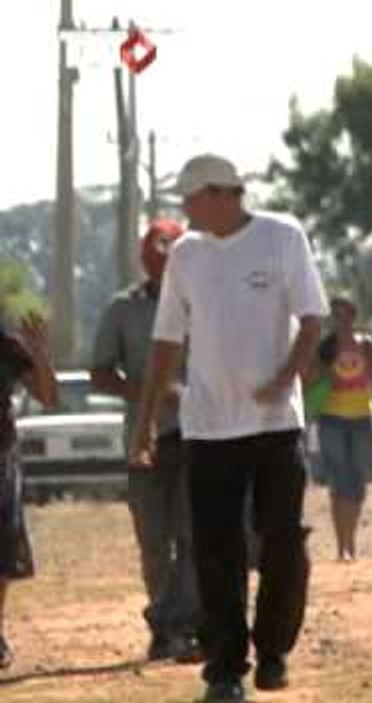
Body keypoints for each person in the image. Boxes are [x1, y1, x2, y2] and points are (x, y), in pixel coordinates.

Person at [129, 153, 329, 703]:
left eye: (190, 200)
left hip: (275, 425)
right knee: (215, 550)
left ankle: (273, 651)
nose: (185, 212)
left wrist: (286, 376)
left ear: (219, 194)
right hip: (208, 429)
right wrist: (146, 424)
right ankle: (224, 669)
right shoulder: (187, 257)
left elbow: (313, 319)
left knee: (283, 540)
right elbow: (166, 342)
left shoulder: (282, 237)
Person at [91, 218, 202, 662]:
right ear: (145, 263)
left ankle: (189, 625)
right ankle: (164, 625)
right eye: (157, 264)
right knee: (153, 539)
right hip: (146, 439)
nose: (165, 272)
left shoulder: (207, 302)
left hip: (199, 435)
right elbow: (99, 374)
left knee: (193, 535)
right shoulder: (123, 309)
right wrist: (150, 389)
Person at [310, 294, 372, 562]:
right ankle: (341, 545)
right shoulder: (325, 348)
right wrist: (324, 376)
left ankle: (351, 539)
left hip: (361, 419)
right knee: (339, 482)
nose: (341, 321)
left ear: (354, 317)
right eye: (336, 316)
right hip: (331, 419)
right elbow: (310, 379)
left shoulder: (367, 346)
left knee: (358, 483)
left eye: (345, 316)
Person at [0, 312, 57, 667]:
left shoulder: (7, 346)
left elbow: (49, 397)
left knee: (3, 550)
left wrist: (38, 353)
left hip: (1, 459)